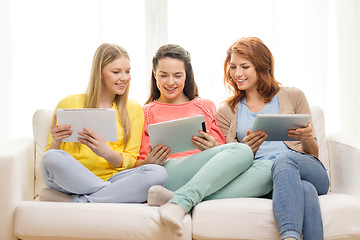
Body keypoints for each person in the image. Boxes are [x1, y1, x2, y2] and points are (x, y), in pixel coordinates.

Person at [135, 44, 273, 237]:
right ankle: (182, 197)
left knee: (268, 170)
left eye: (177, 75)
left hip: (206, 174)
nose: (170, 82)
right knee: (243, 150)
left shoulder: (205, 106)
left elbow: (226, 155)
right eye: (163, 75)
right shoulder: (145, 112)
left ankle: (177, 199)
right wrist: (149, 161)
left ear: (187, 75)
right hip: (169, 171)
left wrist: (213, 147)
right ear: (154, 74)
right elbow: (137, 163)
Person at [217, 37, 329, 240]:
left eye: (245, 66)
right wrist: (246, 151)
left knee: (284, 160)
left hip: (307, 168)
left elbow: (313, 153)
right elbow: (228, 163)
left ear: (262, 66)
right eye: (233, 67)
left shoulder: (293, 96)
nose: (237, 74)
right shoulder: (227, 111)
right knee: (305, 190)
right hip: (266, 180)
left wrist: (306, 138)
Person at [39, 43, 167, 203]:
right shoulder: (68, 103)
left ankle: (79, 200)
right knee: (50, 158)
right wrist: (57, 140)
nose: (124, 78)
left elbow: (131, 161)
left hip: (114, 178)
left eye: (127, 71)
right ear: (99, 72)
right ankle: (109, 194)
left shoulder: (133, 109)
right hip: (71, 180)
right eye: (116, 72)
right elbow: (50, 157)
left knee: (157, 173)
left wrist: (105, 152)